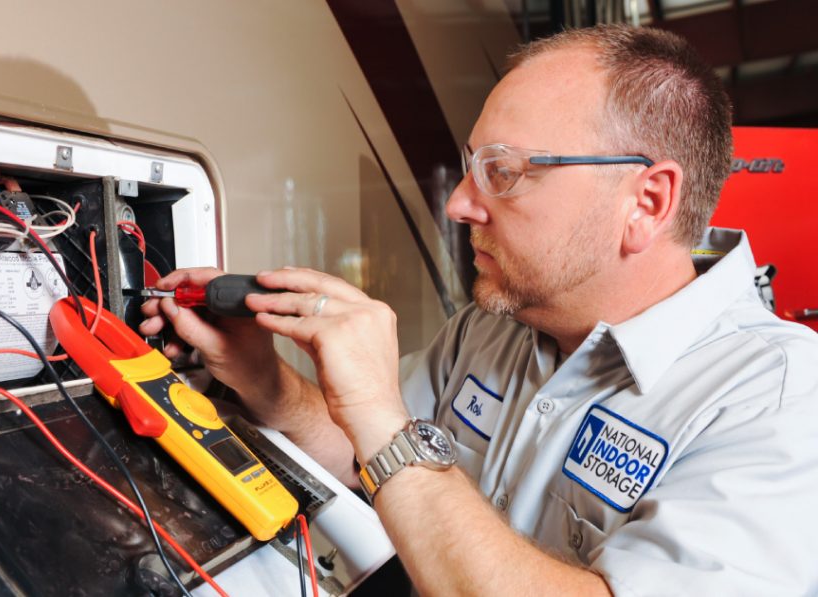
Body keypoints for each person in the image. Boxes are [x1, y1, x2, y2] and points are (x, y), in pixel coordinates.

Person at [139, 24, 818, 596]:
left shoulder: (779, 399)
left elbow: (389, 442)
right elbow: (371, 459)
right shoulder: (496, 327)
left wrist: (381, 417)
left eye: (503, 171)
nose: (461, 203)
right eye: (471, 166)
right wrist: (264, 380)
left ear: (645, 202)